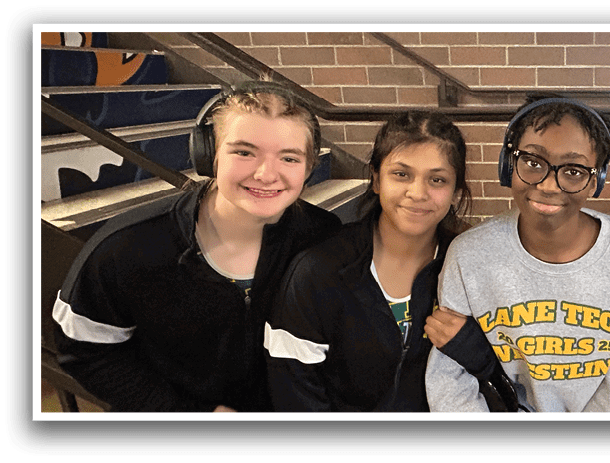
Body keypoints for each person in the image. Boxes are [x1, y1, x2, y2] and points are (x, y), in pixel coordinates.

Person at [51, 80, 341, 412]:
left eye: (289, 158)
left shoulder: (322, 237)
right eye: (244, 152)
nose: (266, 173)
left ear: (308, 168)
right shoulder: (127, 247)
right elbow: (86, 351)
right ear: (208, 156)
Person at [263, 111, 509, 412]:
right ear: (376, 179)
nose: (418, 193)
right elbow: (294, 391)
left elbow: (518, 377)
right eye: (401, 174)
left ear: (456, 193)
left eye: (437, 179)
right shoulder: (318, 272)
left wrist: (476, 351)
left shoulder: (471, 270)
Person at [423, 96, 610, 412]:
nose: (548, 185)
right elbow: (449, 380)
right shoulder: (468, 255)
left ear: (595, 181)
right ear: (507, 166)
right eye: (533, 162)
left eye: (573, 170)